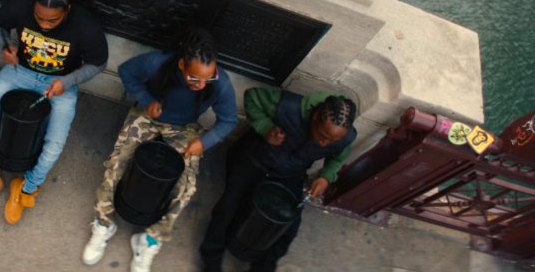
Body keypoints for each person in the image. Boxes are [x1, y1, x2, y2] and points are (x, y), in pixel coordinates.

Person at [81, 29, 237, 272]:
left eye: (208, 78)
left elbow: (228, 120)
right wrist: (146, 100)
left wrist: (203, 142)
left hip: (184, 128)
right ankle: (103, 223)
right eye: (195, 78)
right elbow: (126, 72)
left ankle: (149, 240)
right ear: (182, 64)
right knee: (117, 163)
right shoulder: (157, 63)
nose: (202, 84)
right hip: (148, 116)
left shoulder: (220, 82)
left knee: (187, 186)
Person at [0, 0, 108, 224]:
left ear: (67, 10)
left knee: (54, 142)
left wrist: (69, 81)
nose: (44, 24)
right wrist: (4, 46)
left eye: (52, 20)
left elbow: (98, 63)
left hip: (61, 83)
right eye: (39, 18)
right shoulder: (21, 6)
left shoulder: (85, 25)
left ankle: (27, 187)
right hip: (20, 71)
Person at [199, 88, 358, 272]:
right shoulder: (288, 105)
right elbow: (252, 96)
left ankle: (262, 268)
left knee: (288, 226)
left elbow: (337, 158)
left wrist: (325, 177)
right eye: (323, 135)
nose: (324, 143)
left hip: (290, 173)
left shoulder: (346, 136)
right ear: (315, 117)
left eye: (332, 140)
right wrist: (266, 128)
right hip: (255, 160)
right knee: (227, 207)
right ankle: (211, 261)